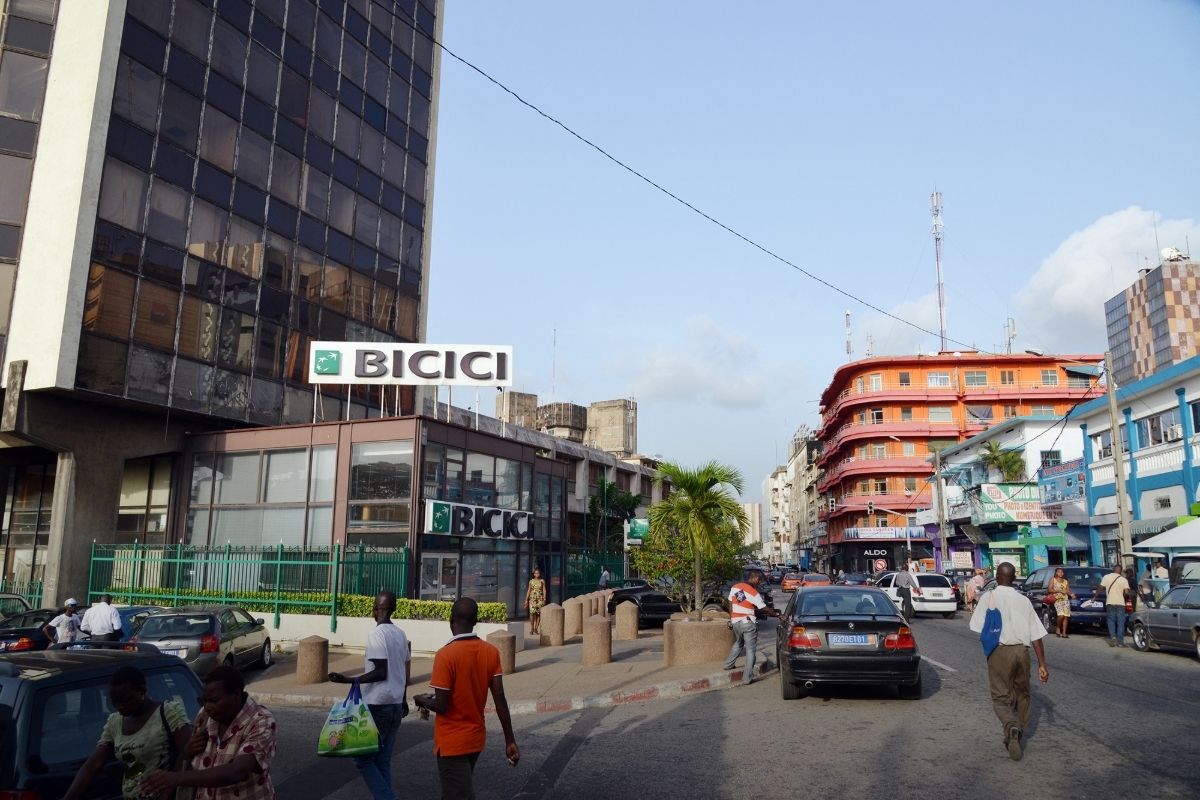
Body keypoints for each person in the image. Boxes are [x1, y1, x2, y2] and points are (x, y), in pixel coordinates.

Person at [413, 598, 519, 800]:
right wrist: (510, 740)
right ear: (475, 621)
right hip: (475, 740)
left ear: (451, 620)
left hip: (452, 742)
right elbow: (500, 698)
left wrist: (422, 701)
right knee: (455, 791)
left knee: (458, 794)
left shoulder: (445, 655)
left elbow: (442, 705)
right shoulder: (491, 652)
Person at [141, 666, 278, 799]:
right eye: (204, 701)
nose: (207, 708)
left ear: (236, 694)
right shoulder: (205, 716)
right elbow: (193, 761)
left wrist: (176, 778)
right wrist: (188, 752)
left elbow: (237, 772)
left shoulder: (261, 721)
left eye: (213, 701)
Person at [62, 665, 192, 799]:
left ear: (142, 691)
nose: (119, 706)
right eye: (114, 702)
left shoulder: (168, 712)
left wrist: (166, 795)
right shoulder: (115, 722)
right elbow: (94, 764)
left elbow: (186, 754)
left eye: (125, 700)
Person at [329, 591, 411, 800]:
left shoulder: (376, 635)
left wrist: (347, 679)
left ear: (375, 609)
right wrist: (402, 699)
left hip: (378, 705)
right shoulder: (401, 634)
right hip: (394, 705)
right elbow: (403, 670)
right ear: (393, 609)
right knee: (382, 760)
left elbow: (381, 672)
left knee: (362, 760)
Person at [969, 562, 1049, 761]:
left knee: (1001, 697)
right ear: (1014, 579)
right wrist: (1042, 665)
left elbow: (977, 627)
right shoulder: (1024, 601)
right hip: (1022, 652)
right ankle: (1016, 731)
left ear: (997, 577)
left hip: (1000, 652)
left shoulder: (989, 597)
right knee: (1023, 694)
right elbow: (1036, 635)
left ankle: (1012, 726)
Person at [722, 569, 784, 685]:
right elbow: (764, 608)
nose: (759, 582)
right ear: (751, 578)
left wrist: (731, 618)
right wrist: (777, 615)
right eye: (758, 579)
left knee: (739, 643)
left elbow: (730, 603)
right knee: (751, 649)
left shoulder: (735, 587)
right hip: (748, 623)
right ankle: (747, 678)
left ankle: (728, 664)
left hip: (736, 621)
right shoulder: (754, 593)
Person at [1091, 563, 1130, 647]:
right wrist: (1122, 597)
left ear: (1113, 569)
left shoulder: (1106, 577)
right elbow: (1126, 592)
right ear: (1121, 571)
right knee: (1120, 622)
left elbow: (1100, 588)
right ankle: (1120, 643)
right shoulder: (1123, 580)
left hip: (1110, 602)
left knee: (1111, 620)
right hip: (1120, 603)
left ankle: (1113, 636)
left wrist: (1094, 598)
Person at [1048, 568, 1075, 638]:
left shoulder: (1065, 581)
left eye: (1062, 572)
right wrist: (1060, 591)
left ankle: (1064, 633)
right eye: (1059, 572)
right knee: (1061, 615)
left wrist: (1071, 594)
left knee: (1066, 616)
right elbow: (1050, 590)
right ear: (1056, 573)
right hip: (1058, 600)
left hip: (1065, 600)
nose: (1060, 573)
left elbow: (1068, 591)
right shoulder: (1053, 580)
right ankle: (1058, 628)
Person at [523, 567, 546, 636]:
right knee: (532, 613)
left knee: (539, 614)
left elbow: (544, 590)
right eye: (536, 573)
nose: (537, 574)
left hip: (540, 599)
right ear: (534, 574)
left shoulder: (542, 581)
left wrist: (544, 599)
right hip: (532, 599)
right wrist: (526, 600)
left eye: (538, 573)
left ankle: (536, 628)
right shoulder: (531, 581)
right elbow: (529, 590)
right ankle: (532, 628)